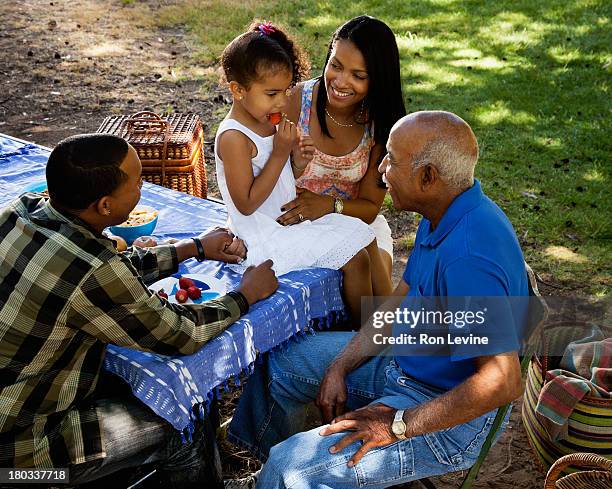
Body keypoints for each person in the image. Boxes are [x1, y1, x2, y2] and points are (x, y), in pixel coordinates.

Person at [228, 111, 529, 488]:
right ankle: (266, 476)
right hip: (410, 361)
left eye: (392, 159)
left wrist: (397, 425)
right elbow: (399, 302)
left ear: (427, 176)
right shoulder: (442, 211)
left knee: (292, 469)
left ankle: (281, 477)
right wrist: (340, 365)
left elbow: (502, 381)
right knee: (280, 363)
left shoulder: (469, 257)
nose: (381, 168)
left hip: (447, 415)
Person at [0, 133, 278, 489]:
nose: (143, 187)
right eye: (138, 181)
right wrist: (245, 295)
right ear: (104, 206)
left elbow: (107, 270)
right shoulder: (95, 270)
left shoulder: (22, 210)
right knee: (182, 420)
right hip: (22, 453)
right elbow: (182, 335)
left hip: (16, 405)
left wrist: (188, 248)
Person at [215, 21, 387, 325]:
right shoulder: (233, 137)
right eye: (273, 94)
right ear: (237, 90)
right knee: (356, 257)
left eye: (284, 92)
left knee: (362, 236)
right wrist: (281, 152)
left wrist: (296, 162)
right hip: (265, 234)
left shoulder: (265, 121)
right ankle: (368, 337)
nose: (283, 101)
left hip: (285, 220)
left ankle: (384, 328)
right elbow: (246, 202)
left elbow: (278, 179)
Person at [279, 15, 406, 290]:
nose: (340, 82)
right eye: (335, 65)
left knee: (375, 269)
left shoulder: (380, 123)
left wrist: (328, 205)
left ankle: (385, 330)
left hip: (356, 219)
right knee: (358, 266)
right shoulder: (296, 102)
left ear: (378, 80)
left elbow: (370, 208)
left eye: (358, 76)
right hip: (296, 221)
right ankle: (383, 329)